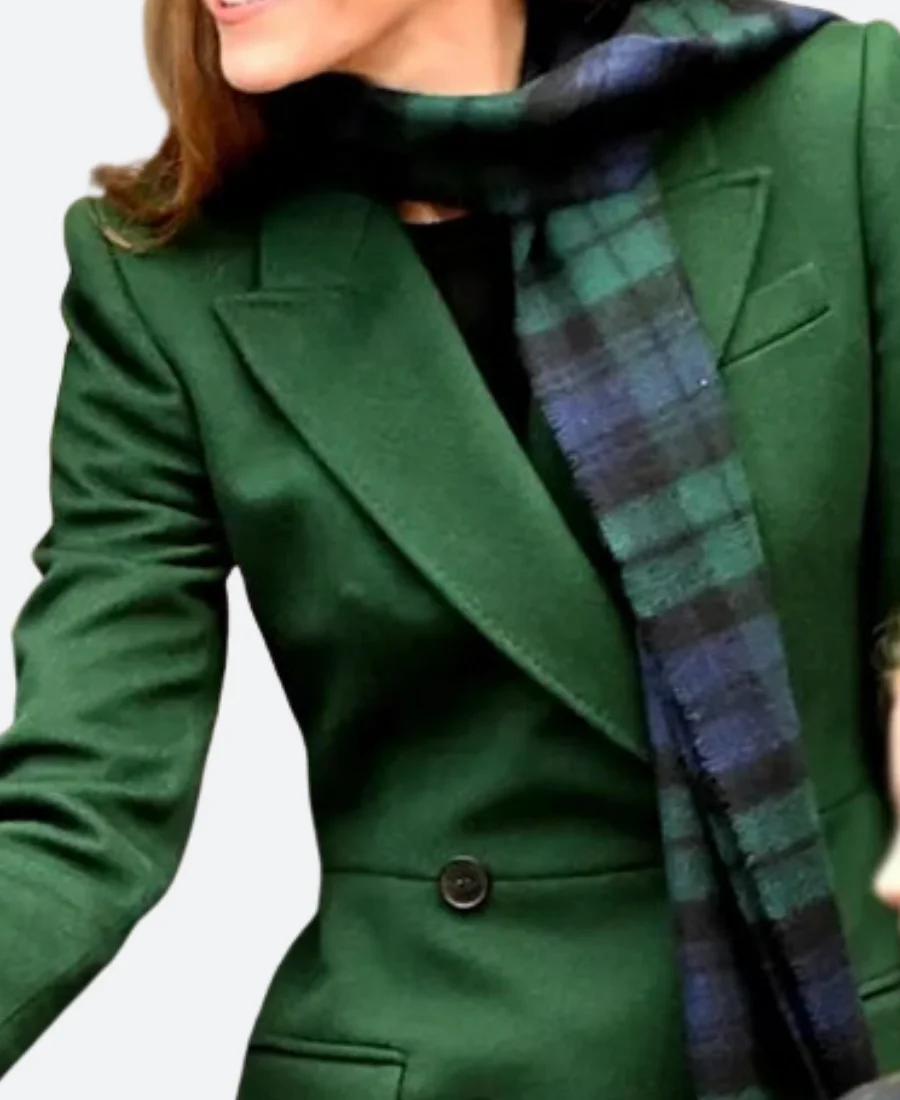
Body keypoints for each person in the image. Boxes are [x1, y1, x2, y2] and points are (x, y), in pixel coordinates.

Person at [3, 0, 900, 1096]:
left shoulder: (837, 114)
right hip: (438, 1060)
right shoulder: (168, 277)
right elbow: (82, 795)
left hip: (840, 1034)